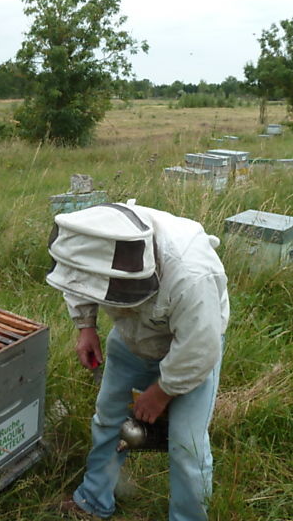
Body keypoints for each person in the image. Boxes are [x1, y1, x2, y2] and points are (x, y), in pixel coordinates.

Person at [46, 200, 230, 521]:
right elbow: (82, 275)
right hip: (131, 339)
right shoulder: (101, 239)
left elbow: (200, 347)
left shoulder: (191, 276)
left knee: (187, 445)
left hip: (187, 349)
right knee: (108, 421)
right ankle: (93, 501)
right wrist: (85, 326)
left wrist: (161, 393)